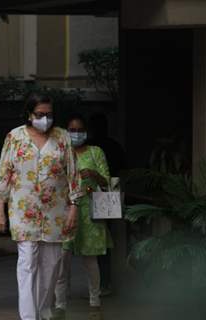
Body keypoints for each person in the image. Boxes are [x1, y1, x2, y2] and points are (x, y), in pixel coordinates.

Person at [0, 93, 82, 320]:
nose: (45, 119)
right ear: (29, 115)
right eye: (40, 115)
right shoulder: (15, 137)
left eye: (49, 115)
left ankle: (42, 310)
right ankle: (29, 317)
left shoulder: (62, 137)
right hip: (23, 210)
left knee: (51, 266)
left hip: (56, 211)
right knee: (27, 263)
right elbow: (4, 174)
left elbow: (73, 173)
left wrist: (74, 206)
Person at [52, 114, 113, 320]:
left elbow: (107, 182)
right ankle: (60, 304)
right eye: (72, 129)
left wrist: (94, 175)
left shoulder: (96, 152)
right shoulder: (59, 152)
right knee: (62, 261)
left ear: (86, 132)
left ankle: (94, 301)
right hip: (65, 212)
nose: (75, 133)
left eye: (79, 130)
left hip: (89, 212)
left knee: (90, 261)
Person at [87, 113, 125, 295]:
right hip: (101, 193)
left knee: (103, 239)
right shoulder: (92, 146)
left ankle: (105, 283)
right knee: (101, 240)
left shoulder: (104, 146)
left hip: (107, 193)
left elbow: (122, 169)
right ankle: (104, 283)